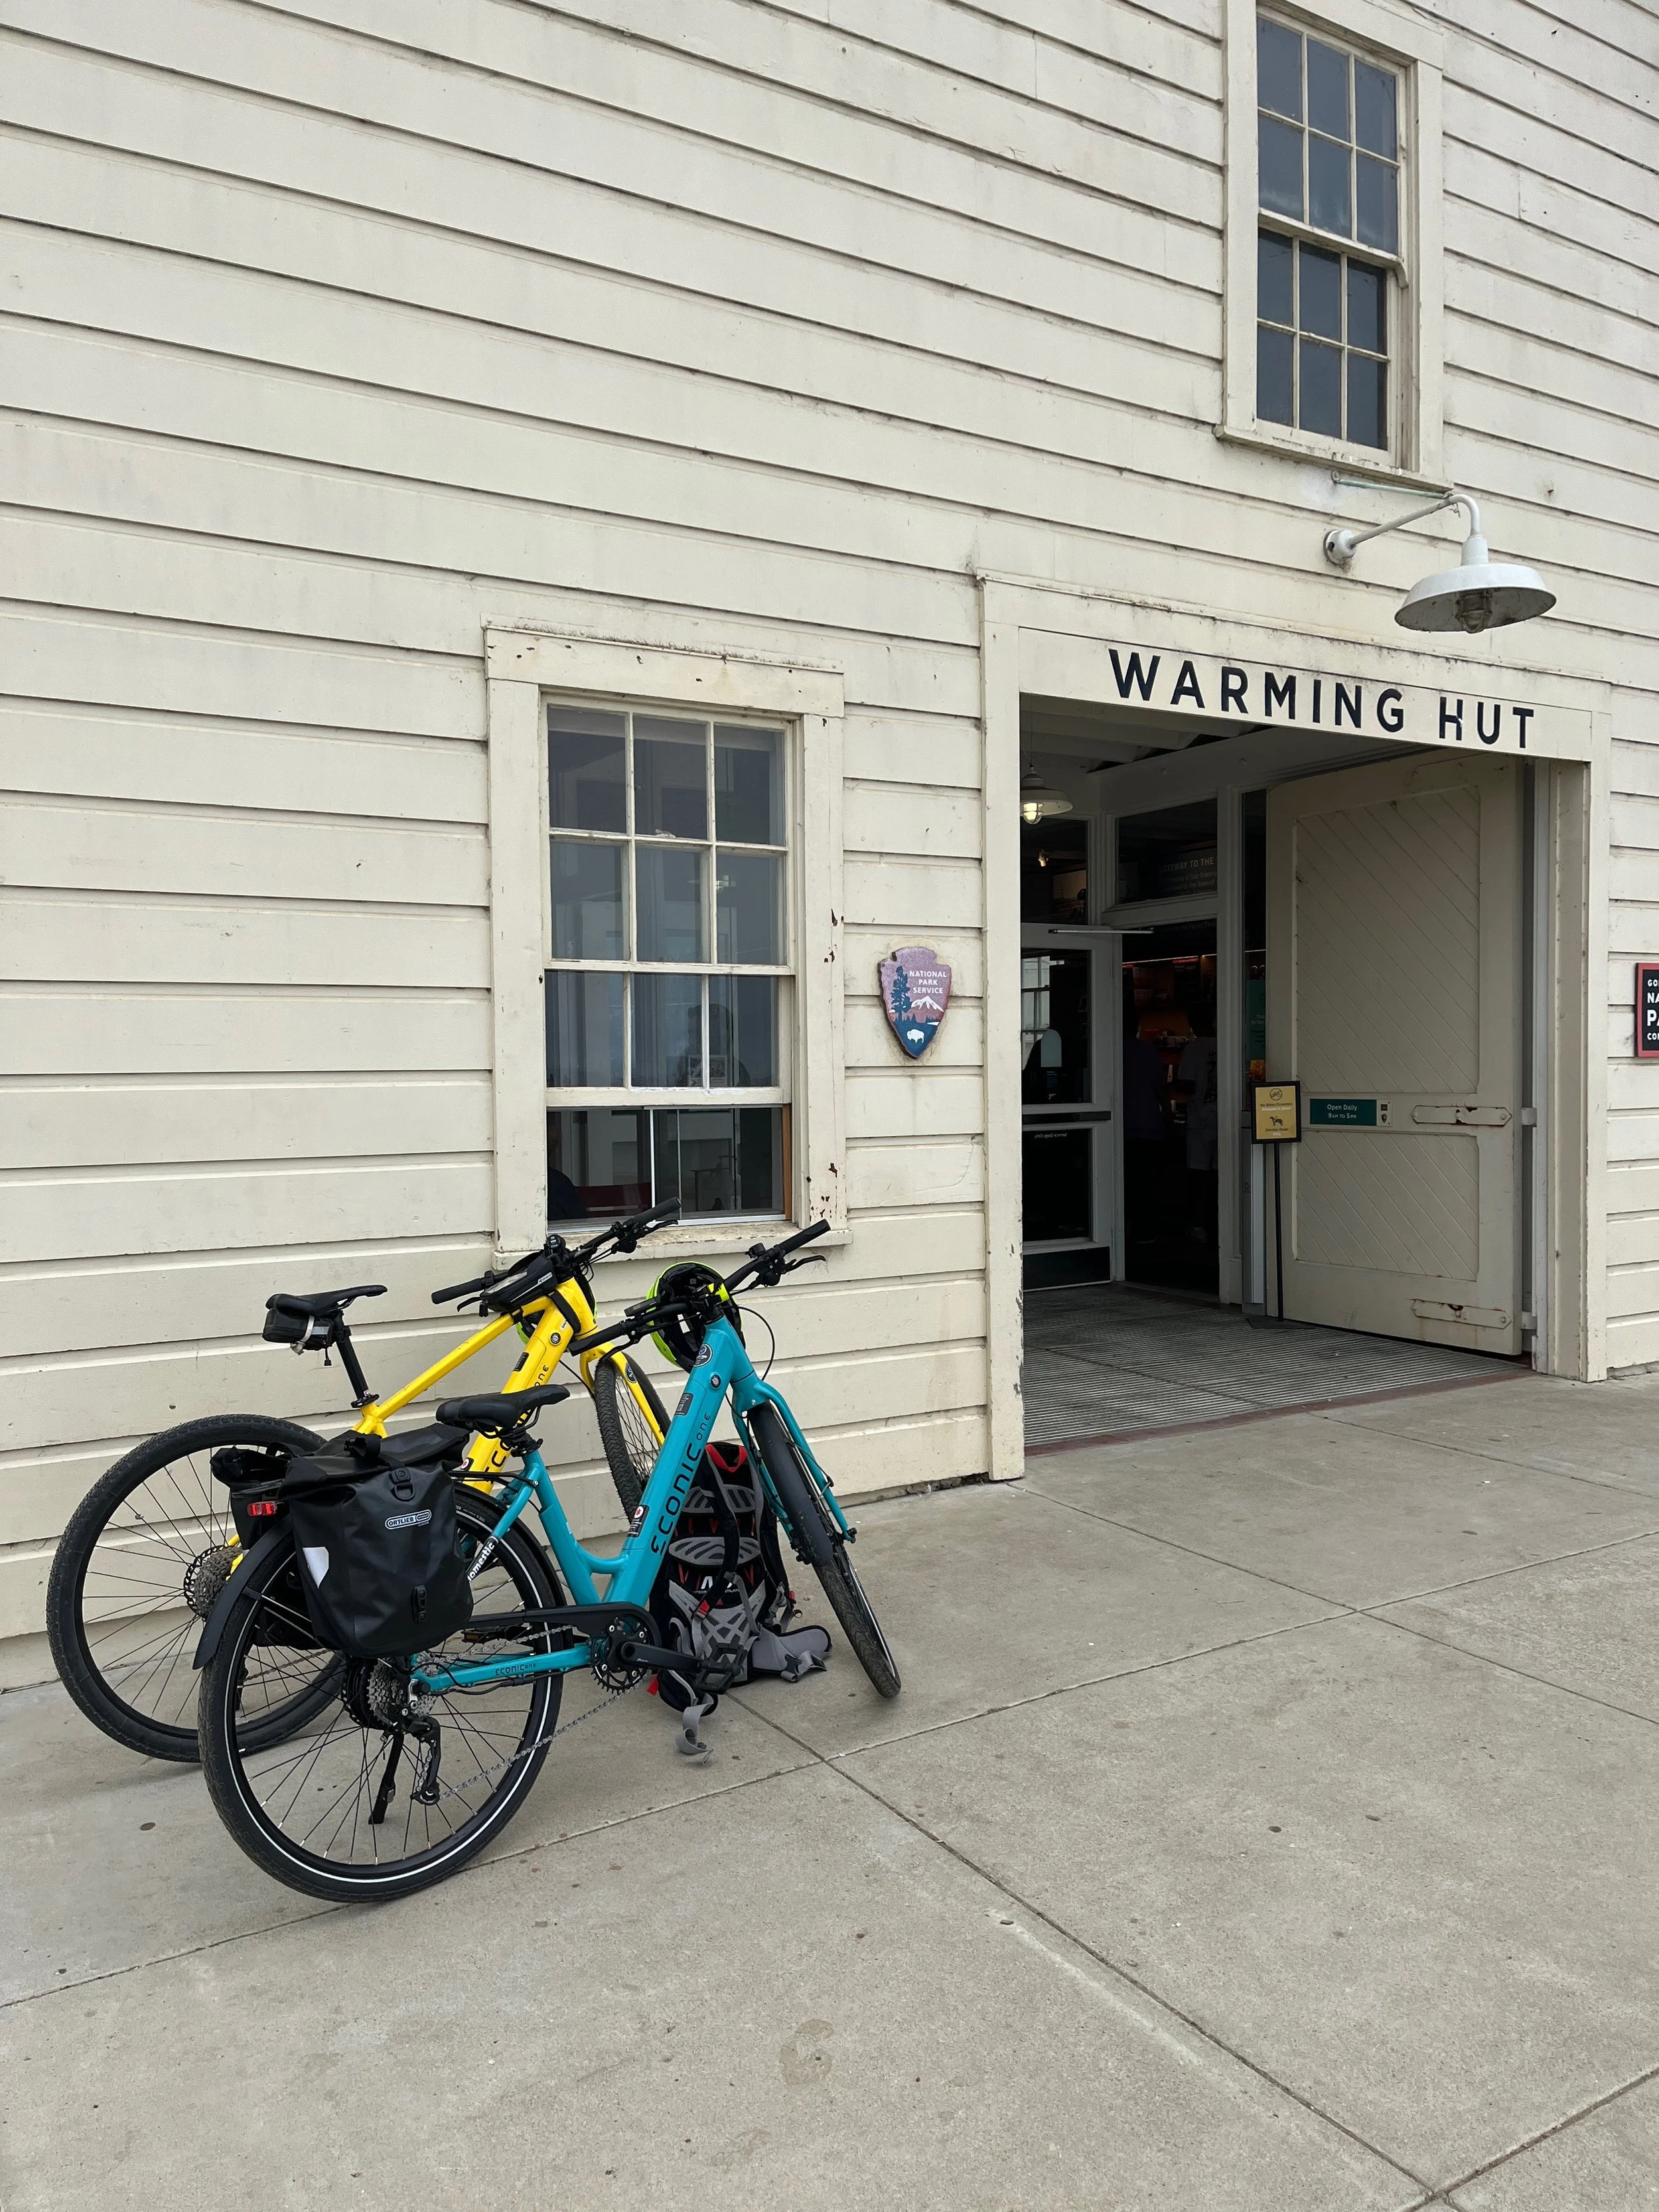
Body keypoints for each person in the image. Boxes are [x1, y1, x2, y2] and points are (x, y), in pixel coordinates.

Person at [1121, 995, 1166, 1254]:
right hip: (1148, 1126)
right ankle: (1145, 1230)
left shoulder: (1110, 1050)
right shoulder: (1147, 1051)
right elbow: (1161, 1089)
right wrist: (1168, 1119)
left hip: (1121, 1128)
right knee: (1147, 1183)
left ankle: (1123, 1228)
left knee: (1125, 1182)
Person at [1174, 1009, 1219, 1244]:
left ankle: (1199, 1225)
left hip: (1200, 1120)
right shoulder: (1228, 1043)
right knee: (1221, 1174)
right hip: (1224, 1118)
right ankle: (1221, 1222)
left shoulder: (1192, 1049)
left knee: (1200, 1176)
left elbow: (1187, 1085)